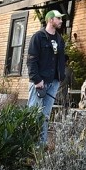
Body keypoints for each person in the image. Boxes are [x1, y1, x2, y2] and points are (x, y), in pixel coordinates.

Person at [27, 9, 67, 144]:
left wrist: (61, 76)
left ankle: (41, 145)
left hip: (53, 82)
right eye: (58, 18)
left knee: (45, 115)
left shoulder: (59, 39)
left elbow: (60, 60)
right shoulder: (38, 37)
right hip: (39, 82)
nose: (61, 21)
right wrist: (36, 79)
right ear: (50, 20)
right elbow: (31, 60)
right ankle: (29, 145)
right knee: (33, 114)